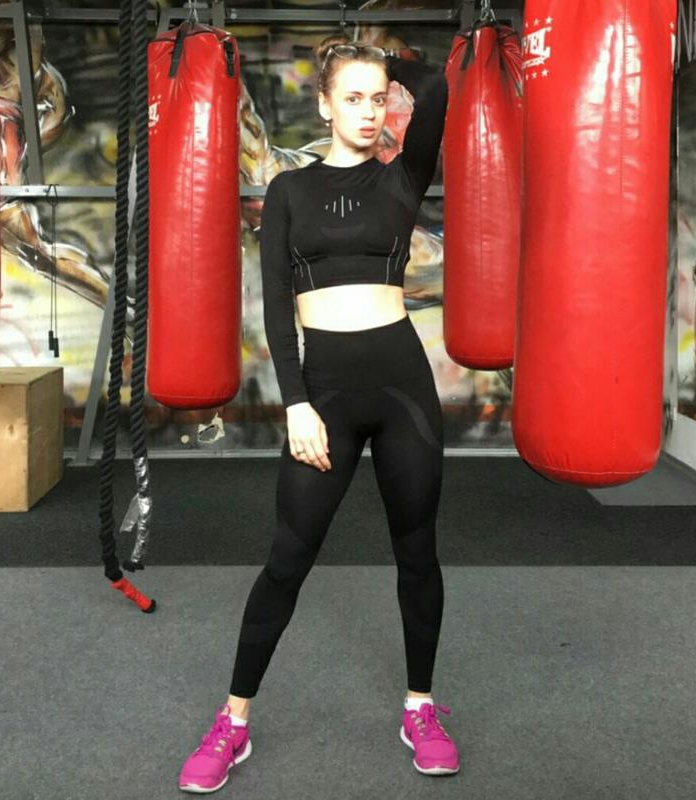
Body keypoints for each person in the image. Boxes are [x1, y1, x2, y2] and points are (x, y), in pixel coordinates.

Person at [179, 33, 458, 793]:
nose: (369, 111)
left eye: (379, 98)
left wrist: (389, 60)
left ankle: (421, 708)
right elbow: (276, 309)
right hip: (324, 395)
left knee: (418, 554)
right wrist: (296, 402)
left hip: (402, 390)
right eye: (353, 98)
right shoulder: (288, 192)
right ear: (325, 106)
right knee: (287, 559)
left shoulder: (403, 177)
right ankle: (233, 720)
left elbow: (437, 90)